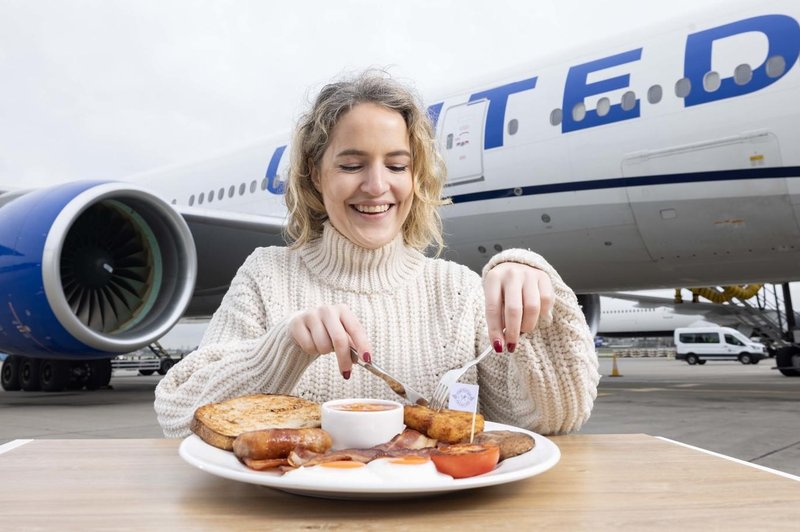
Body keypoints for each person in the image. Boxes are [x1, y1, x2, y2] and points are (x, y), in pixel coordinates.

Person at [154, 71, 600, 438]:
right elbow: (178, 416)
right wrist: (283, 348)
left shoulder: (459, 290)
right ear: (316, 174)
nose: (376, 186)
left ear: (415, 174)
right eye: (351, 165)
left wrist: (536, 290)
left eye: (396, 165)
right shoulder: (266, 275)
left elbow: (551, 420)